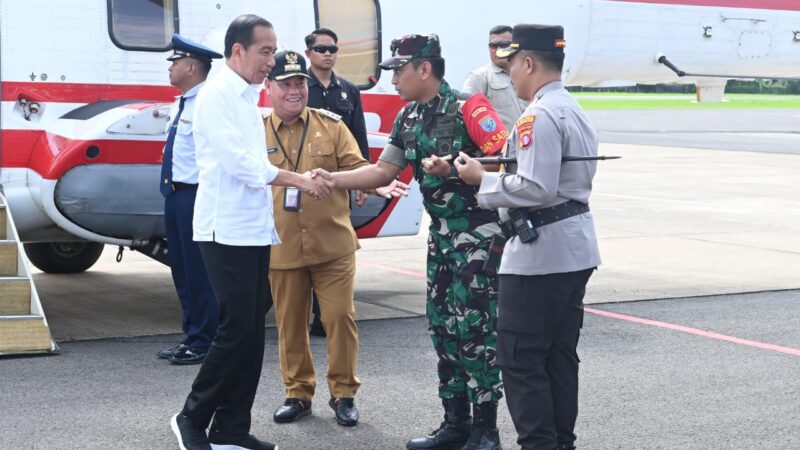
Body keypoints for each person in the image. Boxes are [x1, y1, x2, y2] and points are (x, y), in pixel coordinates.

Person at [314, 34, 509, 450]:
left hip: (478, 235)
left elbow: (506, 160)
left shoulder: (468, 108)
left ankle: (485, 430)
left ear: (425, 68)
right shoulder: (408, 117)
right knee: (442, 328)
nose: (393, 79)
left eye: (399, 70)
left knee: (474, 332)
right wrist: (334, 179)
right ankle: (455, 423)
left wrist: (454, 169)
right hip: (441, 239)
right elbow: (384, 172)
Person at [170, 15, 331, 450]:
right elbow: (242, 166)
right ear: (237, 51)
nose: (271, 60)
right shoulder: (218, 96)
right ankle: (192, 416)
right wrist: (298, 180)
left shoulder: (245, 97)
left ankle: (231, 429)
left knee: (251, 331)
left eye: (273, 50)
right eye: (264, 51)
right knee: (236, 329)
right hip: (224, 231)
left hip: (251, 230)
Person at [455, 24, 602, 450]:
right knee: (557, 358)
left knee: (520, 361)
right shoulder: (571, 107)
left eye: (512, 64)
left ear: (530, 62)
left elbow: (536, 187)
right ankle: (559, 442)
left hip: (541, 256)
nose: (509, 74)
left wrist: (481, 179)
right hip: (572, 248)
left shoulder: (537, 115)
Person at [265, 50, 377, 428]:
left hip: (333, 244)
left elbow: (360, 169)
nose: (295, 91)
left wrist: (367, 181)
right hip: (281, 244)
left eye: (300, 83)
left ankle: (343, 393)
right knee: (289, 323)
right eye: (286, 84)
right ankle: (297, 393)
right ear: (269, 87)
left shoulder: (331, 126)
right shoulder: (256, 131)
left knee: (339, 318)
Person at [157, 34, 221, 366]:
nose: (171, 67)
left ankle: (204, 339)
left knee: (198, 271)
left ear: (192, 67)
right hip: (175, 194)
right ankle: (191, 336)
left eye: (175, 62)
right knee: (181, 270)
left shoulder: (206, 104)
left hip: (196, 194)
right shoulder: (180, 103)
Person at [304, 27, 371, 337]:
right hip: (304, 179)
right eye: (321, 48)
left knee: (333, 246)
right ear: (309, 53)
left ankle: (324, 317)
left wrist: (363, 181)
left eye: (332, 49)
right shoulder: (298, 86)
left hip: (338, 182)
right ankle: (298, 310)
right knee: (302, 244)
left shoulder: (348, 89)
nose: (328, 54)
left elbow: (358, 138)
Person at [462, 25, 529, 132]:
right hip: (501, 147)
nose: (498, 49)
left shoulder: (527, 75)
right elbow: (465, 114)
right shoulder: (478, 77)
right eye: (493, 45)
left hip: (531, 144)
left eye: (504, 45)